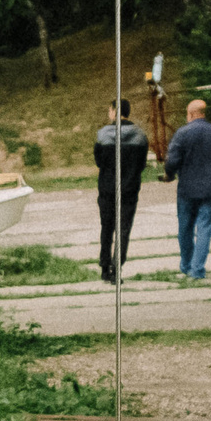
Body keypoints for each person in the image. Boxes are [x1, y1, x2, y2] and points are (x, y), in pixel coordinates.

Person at [165, 96, 211, 280]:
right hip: (210, 189)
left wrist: (170, 174)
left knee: (185, 229)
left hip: (186, 190)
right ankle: (197, 270)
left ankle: (186, 265)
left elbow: (172, 161)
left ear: (192, 114)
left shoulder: (182, 133)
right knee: (204, 229)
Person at [93, 97, 150, 283]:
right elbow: (142, 164)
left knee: (107, 228)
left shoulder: (103, 135)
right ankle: (117, 269)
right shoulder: (140, 135)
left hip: (107, 189)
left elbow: (99, 162)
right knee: (123, 230)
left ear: (114, 111)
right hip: (129, 190)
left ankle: (104, 267)